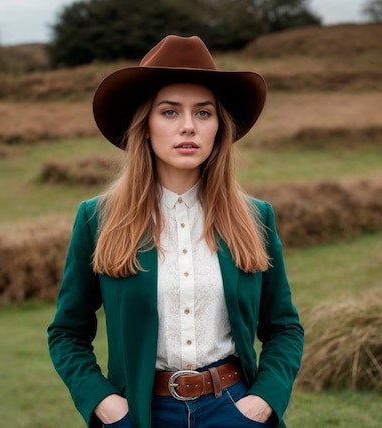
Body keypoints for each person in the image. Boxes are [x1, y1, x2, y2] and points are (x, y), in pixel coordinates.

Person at [48, 35, 304, 428]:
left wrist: (263, 401)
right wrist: (104, 403)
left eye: (203, 113)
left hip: (234, 409)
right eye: (170, 112)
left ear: (219, 128)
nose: (188, 126)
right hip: (140, 414)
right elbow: (67, 331)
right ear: (145, 126)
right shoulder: (96, 218)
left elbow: (284, 327)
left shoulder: (256, 217)